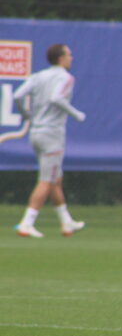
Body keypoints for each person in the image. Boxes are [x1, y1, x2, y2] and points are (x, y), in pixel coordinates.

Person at [13, 44, 86, 238]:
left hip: (35, 133)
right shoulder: (66, 78)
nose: (71, 58)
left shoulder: (38, 76)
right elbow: (56, 98)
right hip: (52, 135)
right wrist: (76, 114)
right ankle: (27, 223)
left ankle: (66, 222)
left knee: (55, 179)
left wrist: (26, 114)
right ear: (61, 58)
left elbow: (18, 95)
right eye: (69, 54)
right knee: (46, 180)